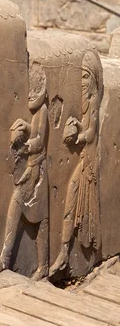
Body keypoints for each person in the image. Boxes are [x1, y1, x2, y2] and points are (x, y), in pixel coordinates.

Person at [0, 60, 49, 281]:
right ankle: (7, 258)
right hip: (33, 172)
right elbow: (36, 131)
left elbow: (40, 141)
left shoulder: (43, 110)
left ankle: (41, 266)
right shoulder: (37, 113)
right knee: (28, 212)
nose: (31, 96)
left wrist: (25, 145)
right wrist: (27, 127)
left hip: (37, 173)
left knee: (40, 219)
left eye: (35, 92)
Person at [49, 50, 102, 278]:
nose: (82, 81)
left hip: (88, 164)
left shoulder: (94, 101)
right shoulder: (87, 101)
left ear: (93, 79)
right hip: (85, 160)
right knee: (72, 202)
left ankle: (65, 253)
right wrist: (77, 125)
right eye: (81, 76)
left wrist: (77, 135)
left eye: (85, 77)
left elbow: (91, 134)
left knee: (73, 198)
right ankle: (63, 253)